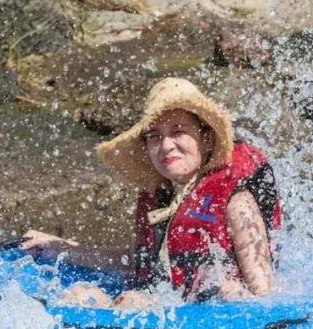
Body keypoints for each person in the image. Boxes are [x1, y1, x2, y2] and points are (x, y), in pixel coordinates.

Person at [20, 77, 282, 308]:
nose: (166, 146)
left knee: (134, 301)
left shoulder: (239, 203)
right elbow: (140, 261)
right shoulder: (161, 199)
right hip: (162, 304)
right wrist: (60, 248)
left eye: (178, 131)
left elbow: (263, 296)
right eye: (154, 136)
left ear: (206, 138)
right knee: (80, 294)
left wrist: (233, 295)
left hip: (207, 316)